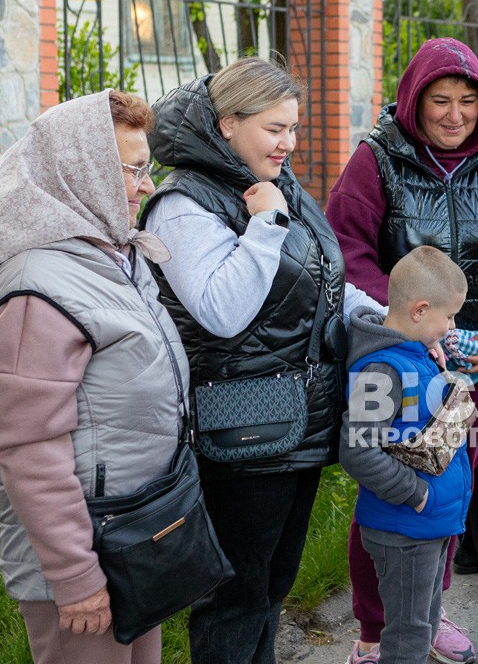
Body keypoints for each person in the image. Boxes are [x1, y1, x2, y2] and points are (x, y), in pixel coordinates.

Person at [325, 37, 478, 638]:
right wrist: (409, 327)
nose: (454, 115)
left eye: (467, 103)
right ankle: (376, 628)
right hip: (400, 361)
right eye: (440, 101)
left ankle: (428, 607)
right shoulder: (375, 162)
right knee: (390, 486)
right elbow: (347, 251)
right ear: (413, 102)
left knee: (454, 486)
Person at [141, 57, 354, 664]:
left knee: (271, 587)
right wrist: (264, 225)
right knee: (235, 597)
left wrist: (393, 319)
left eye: (294, 127)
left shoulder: (274, 184)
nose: (289, 142)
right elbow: (222, 310)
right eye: (275, 128)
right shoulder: (182, 204)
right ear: (229, 123)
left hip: (298, 422)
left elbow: (321, 278)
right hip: (241, 429)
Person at [0, 91, 184, 664]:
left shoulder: (106, 257)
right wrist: (76, 575)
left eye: (147, 168)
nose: (146, 185)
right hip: (82, 554)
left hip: (127, 535)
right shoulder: (39, 284)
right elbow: (27, 446)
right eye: (133, 170)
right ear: (81, 172)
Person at [339, 246, 473, 664]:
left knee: (426, 620)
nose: (452, 326)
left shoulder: (416, 354)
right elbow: (357, 452)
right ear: (419, 310)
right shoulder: (381, 370)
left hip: (426, 525)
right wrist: (417, 494)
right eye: (448, 316)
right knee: (408, 636)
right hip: (405, 528)